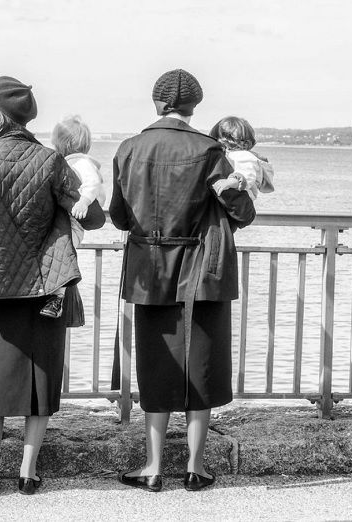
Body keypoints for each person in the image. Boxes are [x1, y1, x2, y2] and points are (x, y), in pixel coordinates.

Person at [0, 76, 102, 497]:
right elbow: (91, 217)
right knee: (41, 376)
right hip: (45, 285)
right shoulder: (53, 161)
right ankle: (28, 472)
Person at [109, 69, 256, 492]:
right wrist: (234, 188)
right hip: (202, 267)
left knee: (156, 363)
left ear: (157, 104)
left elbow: (119, 215)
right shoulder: (209, 150)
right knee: (203, 362)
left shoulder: (129, 147)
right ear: (193, 108)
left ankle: (153, 466)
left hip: (148, 267)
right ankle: (195, 466)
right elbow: (241, 213)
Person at [41, 115, 106, 319]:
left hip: (75, 220)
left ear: (63, 143)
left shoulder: (81, 163)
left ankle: (57, 298)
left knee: (63, 254)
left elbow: (92, 183)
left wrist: (84, 201)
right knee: (59, 253)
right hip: (70, 219)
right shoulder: (72, 163)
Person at [209, 116, 275, 201]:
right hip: (235, 200)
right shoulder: (232, 155)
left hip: (240, 202)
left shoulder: (243, 155)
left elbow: (247, 174)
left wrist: (231, 181)